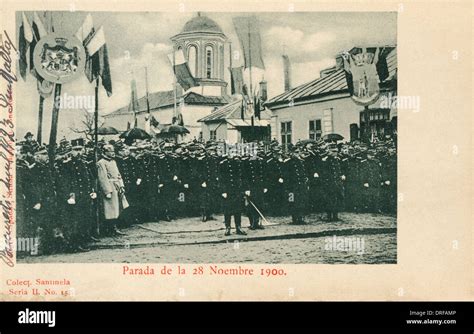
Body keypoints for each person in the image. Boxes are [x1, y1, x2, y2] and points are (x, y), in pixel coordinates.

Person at [97, 144, 129, 236]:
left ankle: (114, 227)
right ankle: (110, 228)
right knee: (110, 209)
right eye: (110, 151)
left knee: (117, 208)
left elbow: (118, 175)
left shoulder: (113, 162)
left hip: (117, 186)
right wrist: (107, 191)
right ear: (105, 152)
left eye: (113, 151)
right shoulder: (101, 163)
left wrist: (121, 185)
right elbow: (102, 178)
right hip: (110, 187)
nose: (113, 153)